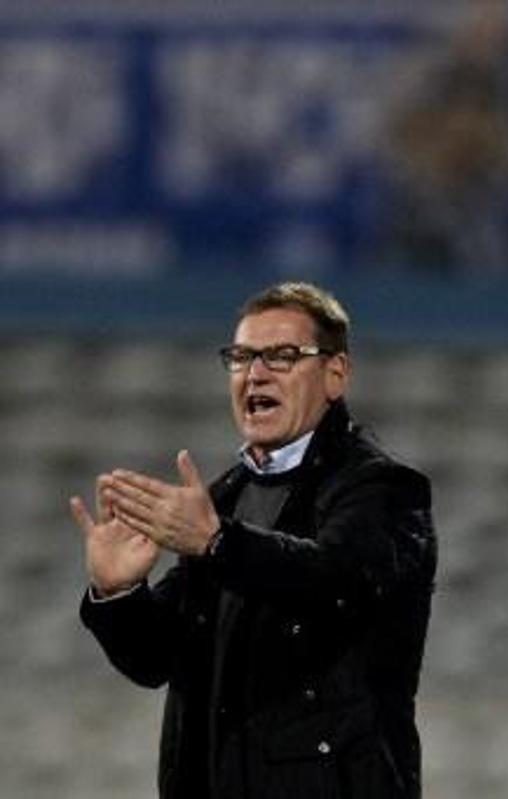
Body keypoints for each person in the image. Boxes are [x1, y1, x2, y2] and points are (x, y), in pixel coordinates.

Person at [71, 282, 437, 799]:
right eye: (241, 357)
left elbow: (335, 580)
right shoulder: (224, 500)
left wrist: (220, 544)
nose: (255, 373)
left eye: (282, 356)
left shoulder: (382, 489)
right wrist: (118, 594)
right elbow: (157, 660)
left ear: (336, 374)